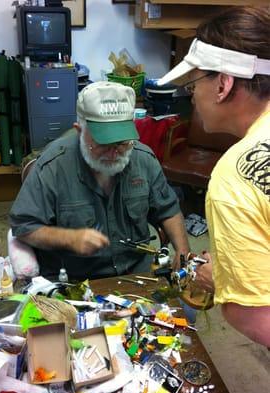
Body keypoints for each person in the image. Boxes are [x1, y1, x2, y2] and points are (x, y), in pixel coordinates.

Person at [158, 6, 270, 347]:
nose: (192, 97)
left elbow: (257, 318)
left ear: (223, 84)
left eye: (193, 85)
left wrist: (224, 280)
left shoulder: (233, 179)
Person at [10, 81, 190, 280]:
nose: (114, 152)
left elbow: (168, 210)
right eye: (103, 143)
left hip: (134, 272)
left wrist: (183, 253)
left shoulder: (143, 159)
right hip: (74, 279)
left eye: (122, 142)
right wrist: (69, 238)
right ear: (80, 131)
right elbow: (23, 226)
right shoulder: (53, 166)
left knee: (183, 310)